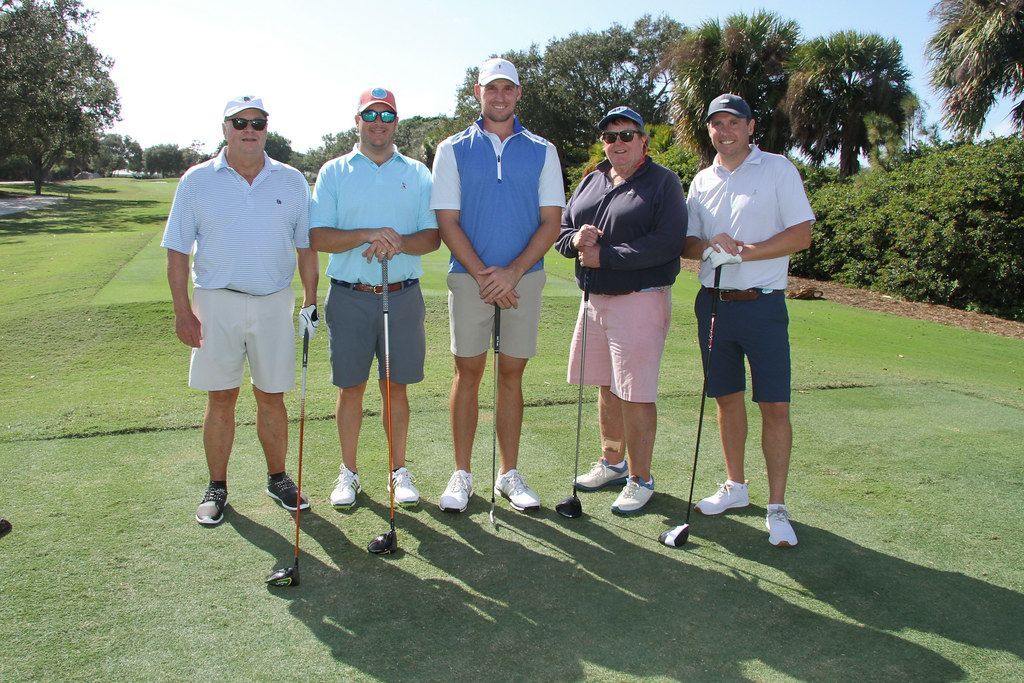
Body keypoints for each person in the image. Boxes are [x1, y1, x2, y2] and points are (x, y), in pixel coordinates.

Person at [162, 95, 320, 527]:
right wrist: (182, 311)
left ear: (267, 128)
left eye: (258, 122)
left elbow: (306, 247)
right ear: (225, 128)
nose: (249, 130)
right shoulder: (196, 180)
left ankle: (278, 477)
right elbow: (177, 252)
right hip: (216, 301)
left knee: (272, 396)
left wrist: (310, 299)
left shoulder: (290, 180)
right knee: (221, 397)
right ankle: (217, 486)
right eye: (240, 122)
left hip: (273, 302)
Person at [430, 57, 565, 513]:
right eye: (492, 89)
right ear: (478, 93)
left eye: (508, 88)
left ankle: (508, 474)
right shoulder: (452, 148)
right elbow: (447, 221)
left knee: (511, 374)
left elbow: (551, 223)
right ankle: (463, 474)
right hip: (469, 279)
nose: (500, 96)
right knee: (467, 374)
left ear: (519, 94)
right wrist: (487, 276)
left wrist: (512, 273)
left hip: (524, 279)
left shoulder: (543, 149)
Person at [683, 93, 814, 547]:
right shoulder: (701, 180)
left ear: (751, 126)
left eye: (733, 122)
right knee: (726, 399)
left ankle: (777, 507)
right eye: (716, 123)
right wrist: (708, 245)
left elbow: (802, 233)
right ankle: (736, 486)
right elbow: (687, 243)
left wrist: (747, 251)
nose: (724, 130)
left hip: (762, 304)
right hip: (714, 304)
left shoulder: (777, 169)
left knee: (774, 405)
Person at [309, 88, 440, 509]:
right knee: (351, 388)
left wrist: (398, 243)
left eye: (387, 115)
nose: (379, 122)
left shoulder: (418, 172)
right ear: (358, 120)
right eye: (371, 114)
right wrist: (370, 234)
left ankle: (397, 471)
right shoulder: (334, 171)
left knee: (395, 388)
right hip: (349, 296)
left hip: (401, 296)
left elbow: (433, 237)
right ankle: (348, 472)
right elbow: (318, 236)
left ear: (396, 122)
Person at [555, 106, 687, 515]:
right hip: (594, 300)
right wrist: (577, 239)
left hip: (640, 298)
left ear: (644, 140)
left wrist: (605, 257)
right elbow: (561, 233)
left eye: (627, 135)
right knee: (606, 385)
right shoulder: (592, 180)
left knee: (635, 390)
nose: (618, 143)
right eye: (610, 137)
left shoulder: (663, 182)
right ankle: (613, 462)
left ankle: (641, 477)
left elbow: (667, 243)